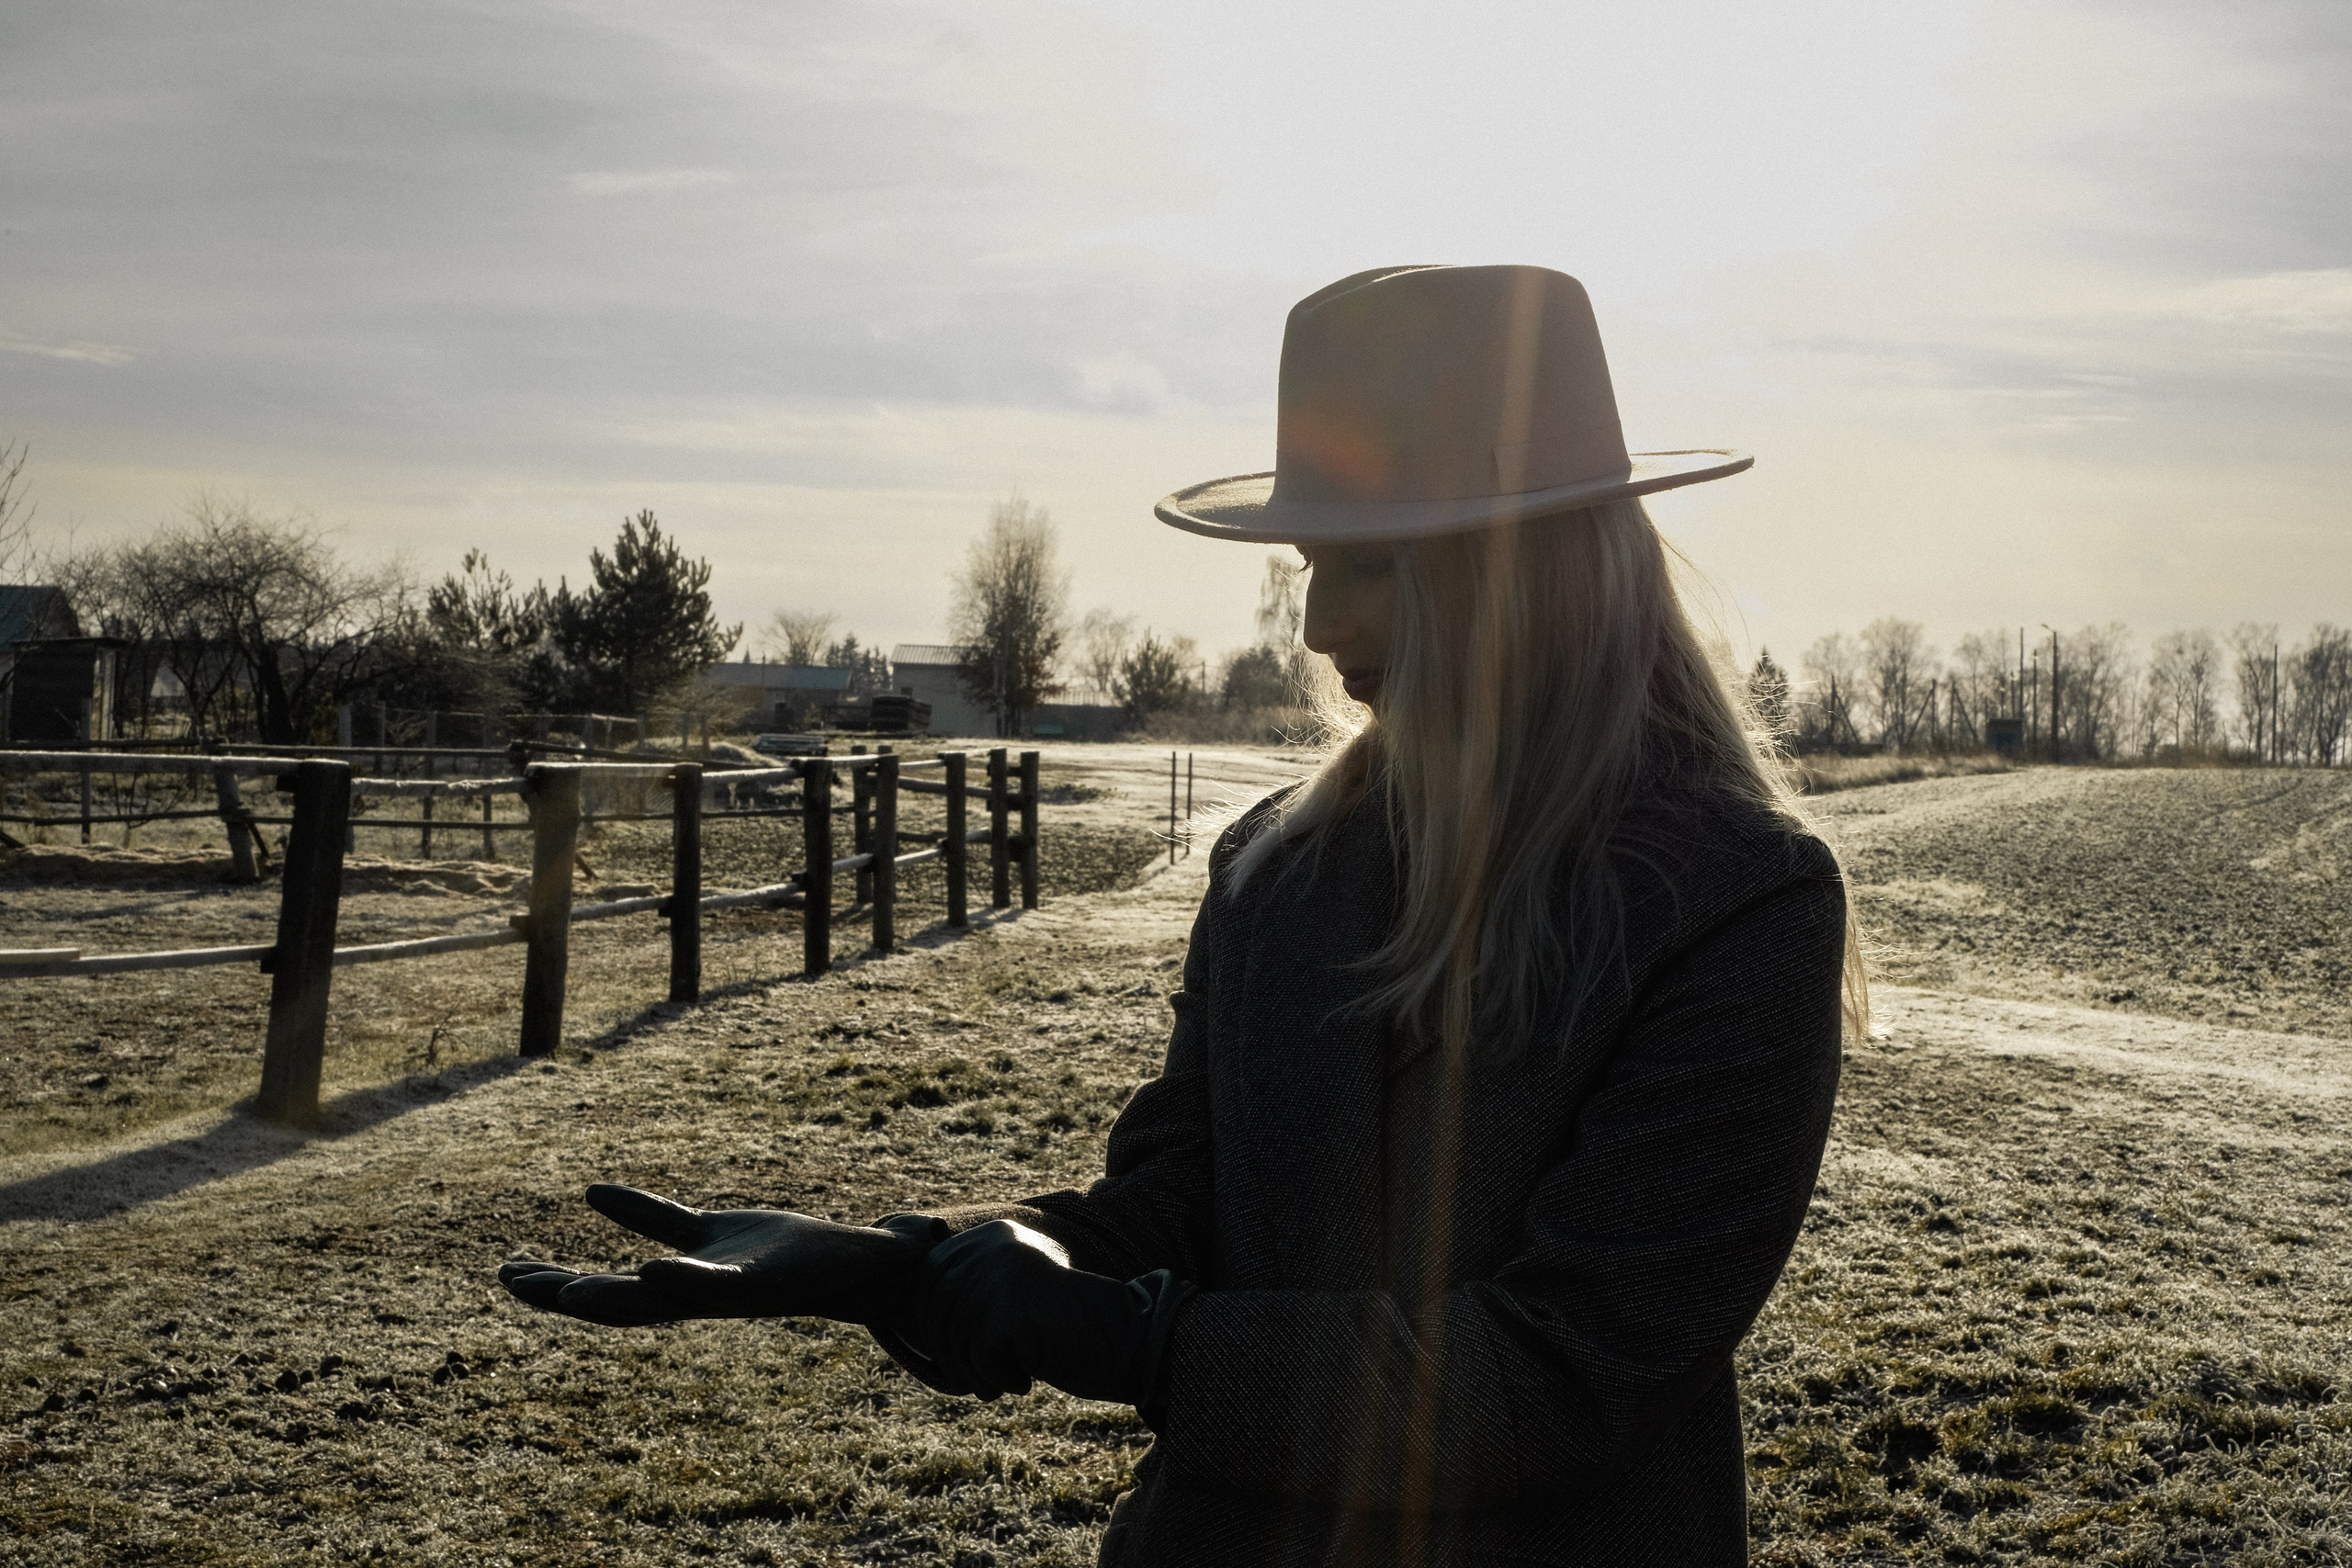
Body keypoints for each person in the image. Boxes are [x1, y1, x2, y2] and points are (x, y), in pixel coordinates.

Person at [500, 264, 1865, 1566]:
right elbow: (1188, 1202)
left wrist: (1136, 1345)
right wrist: (917, 1267)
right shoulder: (1278, 867)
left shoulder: (1739, 908)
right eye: (1308, 566)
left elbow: (1555, 1374)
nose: (1321, 624)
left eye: (1374, 562)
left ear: (1541, 564)